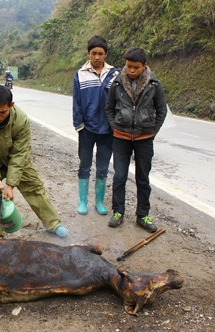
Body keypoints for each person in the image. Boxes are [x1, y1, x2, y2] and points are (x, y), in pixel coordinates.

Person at [0, 85, 68, 238]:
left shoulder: (21, 119)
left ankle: (53, 223)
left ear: (11, 106)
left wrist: (11, 185)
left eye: (2, 112)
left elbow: (20, 153)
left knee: (34, 188)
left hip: (16, 158)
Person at [105, 48, 167, 232]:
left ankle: (143, 215)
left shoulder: (154, 85)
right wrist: (115, 128)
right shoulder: (117, 83)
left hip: (144, 139)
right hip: (121, 138)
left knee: (143, 179)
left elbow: (161, 111)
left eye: (136, 67)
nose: (131, 70)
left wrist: (152, 131)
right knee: (119, 177)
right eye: (129, 66)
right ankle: (118, 212)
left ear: (144, 66)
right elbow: (109, 108)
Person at [72, 35, 119, 216]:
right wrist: (79, 124)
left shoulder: (115, 74)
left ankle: (99, 201)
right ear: (89, 53)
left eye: (100, 53)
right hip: (87, 129)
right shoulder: (80, 74)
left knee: (103, 166)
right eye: (94, 53)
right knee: (84, 165)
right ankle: (82, 200)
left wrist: (116, 124)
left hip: (108, 129)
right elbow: (77, 102)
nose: (97, 57)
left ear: (106, 54)